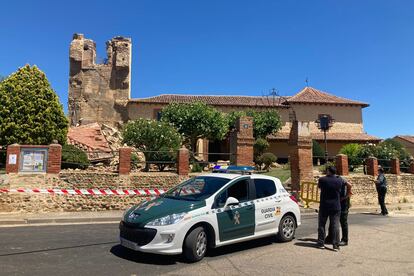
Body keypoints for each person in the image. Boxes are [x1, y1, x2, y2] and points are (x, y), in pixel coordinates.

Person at [317, 166, 342, 251]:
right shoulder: (339, 180)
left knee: (321, 225)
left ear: (328, 171)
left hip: (324, 205)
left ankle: (321, 243)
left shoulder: (322, 179)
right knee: (335, 225)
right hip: (336, 206)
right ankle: (336, 245)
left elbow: (319, 187)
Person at [325, 176, 352, 246]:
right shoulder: (330, 179)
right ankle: (330, 238)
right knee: (332, 219)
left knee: (343, 221)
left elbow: (349, 185)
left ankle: (345, 240)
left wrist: (346, 196)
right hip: (336, 201)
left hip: (344, 202)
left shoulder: (340, 178)